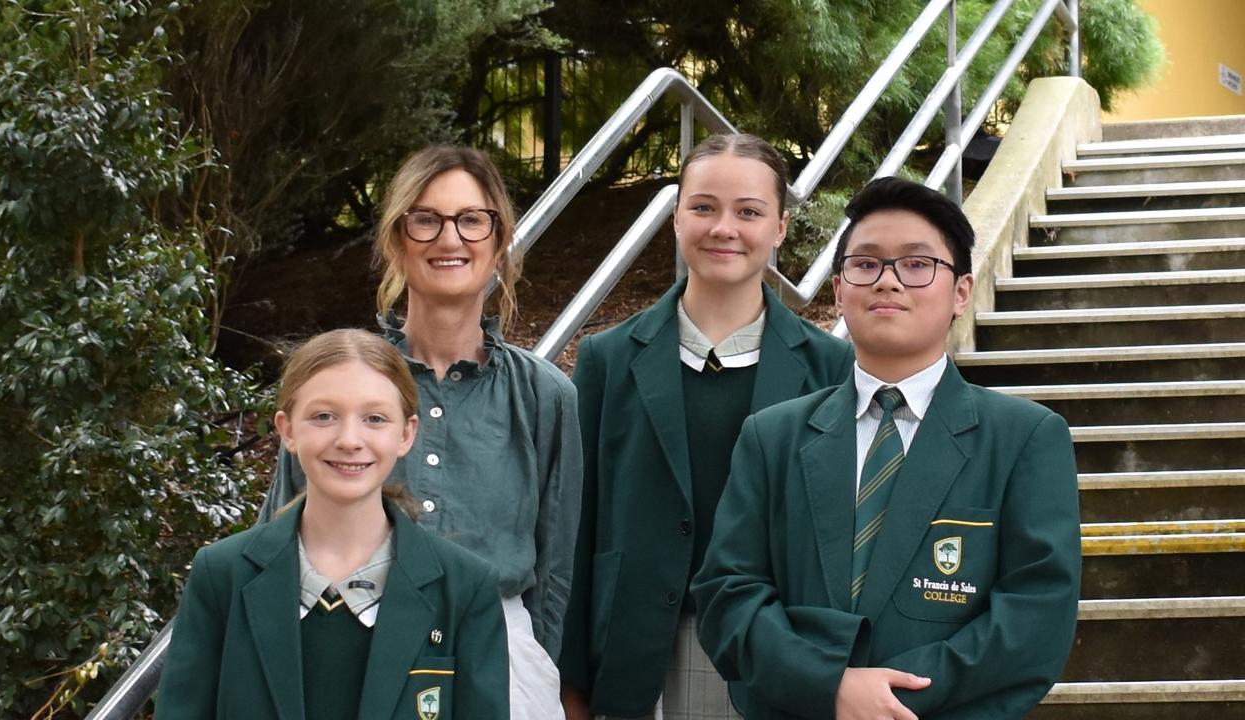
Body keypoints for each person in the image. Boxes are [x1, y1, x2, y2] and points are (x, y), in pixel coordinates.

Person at [691, 177, 1081, 719]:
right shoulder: (772, 437)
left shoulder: (1024, 437)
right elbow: (728, 594)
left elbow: (1035, 614)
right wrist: (830, 687)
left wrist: (892, 699)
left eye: (919, 265)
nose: (889, 282)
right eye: (866, 264)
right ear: (838, 291)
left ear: (962, 291)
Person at [258, 146, 582, 720]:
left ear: (500, 240)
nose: (449, 239)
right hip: (347, 645)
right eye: (425, 219)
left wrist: (537, 671)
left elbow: (556, 571)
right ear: (395, 239)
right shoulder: (336, 380)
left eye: (471, 220)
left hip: (498, 657)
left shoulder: (543, 395)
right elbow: (279, 538)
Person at [559, 133, 855, 720]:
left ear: (780, 229)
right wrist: (570, 681)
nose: (724, 227)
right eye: (703, 207)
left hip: (777, 648)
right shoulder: (607, 360)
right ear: (675, 219)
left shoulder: (833, 368)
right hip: (634, 652)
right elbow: (578, 525)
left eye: (749, 212)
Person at [156, 329, 509, 719]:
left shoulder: (464, 587)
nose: (349, 439)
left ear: (407, 433)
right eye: (324, 416)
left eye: (375, 418)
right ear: (287, 429)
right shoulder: (223, 575)